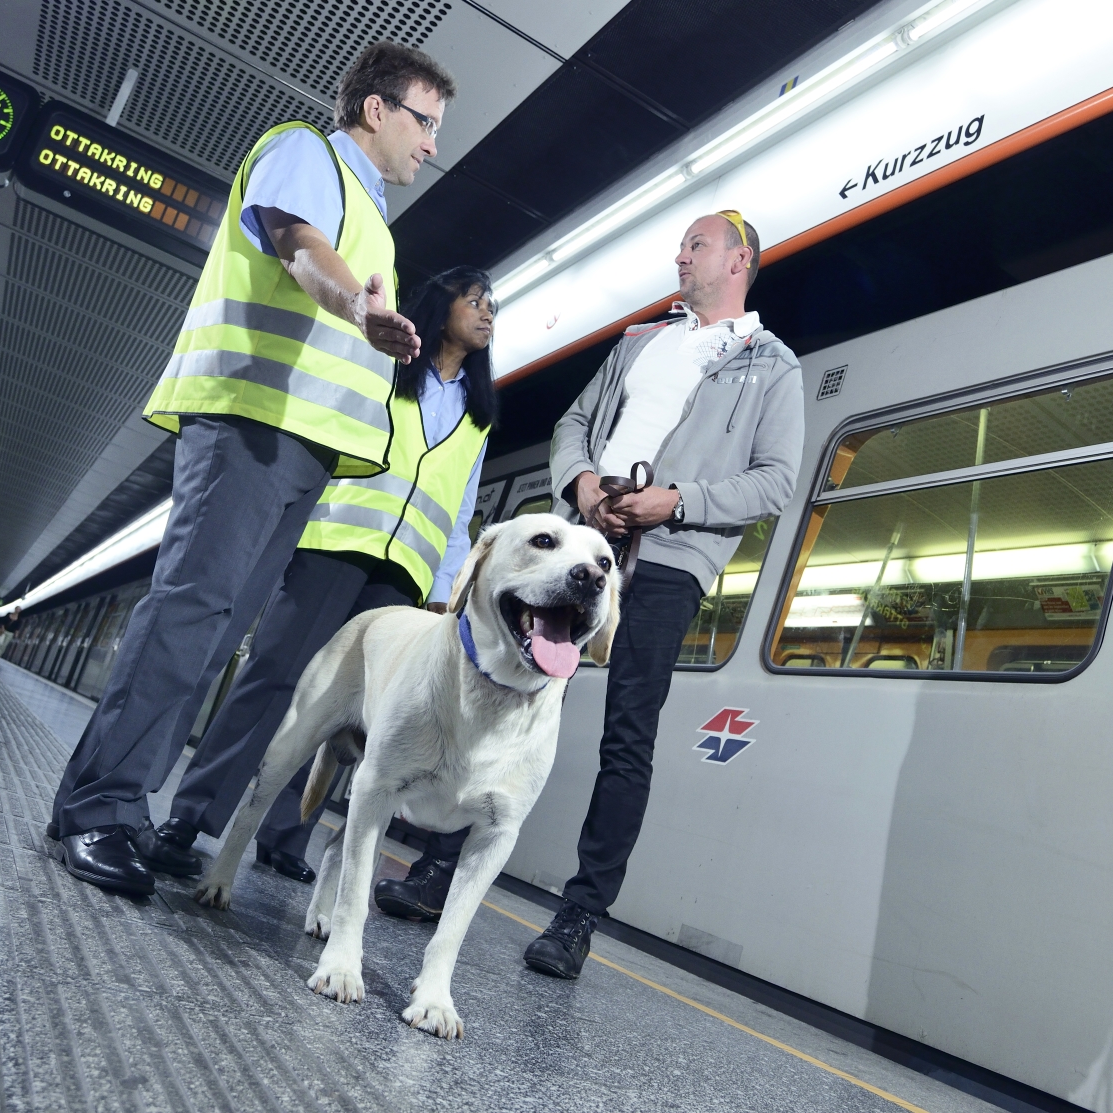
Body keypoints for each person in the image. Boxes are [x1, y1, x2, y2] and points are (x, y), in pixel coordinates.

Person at [47, 42, 458, 897]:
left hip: (297, 449)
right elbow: (297, 244)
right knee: (189, 613)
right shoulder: (307, 154)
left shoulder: (375, 213)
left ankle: (121, 807)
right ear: (375, 110)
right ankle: (97, 807)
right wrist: (358, 306)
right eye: (425, 123)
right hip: (250, 421)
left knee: (213, 629)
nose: (431, 144)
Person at [375, 210, 805, 977]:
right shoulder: (640, 342)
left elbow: (775, 479)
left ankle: (578, 917)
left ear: (739, 259)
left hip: (669, 560)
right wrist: (580, 484)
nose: (680, 254)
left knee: (627, 738)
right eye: (680, 244)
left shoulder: (772, 365)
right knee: (505, 699)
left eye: (695, 244)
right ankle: (441, 866)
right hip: (580, 545)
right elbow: (575, 423)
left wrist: (674, 500)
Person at [136, 268, 499, 883]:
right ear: (441, 305)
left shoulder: (479, 413)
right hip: (335, 542)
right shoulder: (385, 367)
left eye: (495, 307)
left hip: (404, 574)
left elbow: (462, 508)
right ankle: (193, 816)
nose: (489, 314)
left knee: (351, 712)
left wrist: (445, 592)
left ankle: (285, 835)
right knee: (274, 681)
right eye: (477, 301)